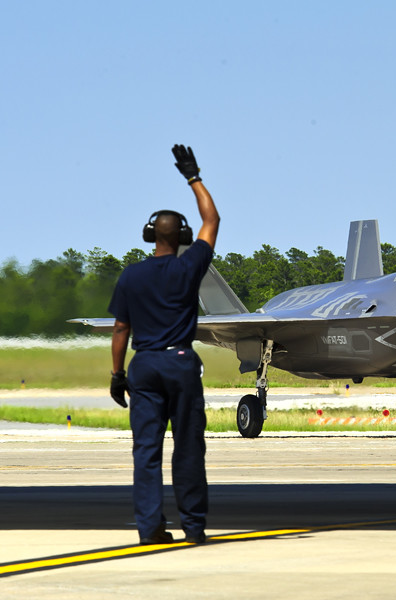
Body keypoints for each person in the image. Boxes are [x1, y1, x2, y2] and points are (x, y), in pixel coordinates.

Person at [108, 144, 220, 545]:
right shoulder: (189, 266)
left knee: (146, 452)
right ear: (183, 237)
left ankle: (150, 529)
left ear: (149, 235)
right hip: (179, 362)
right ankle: (193, 527)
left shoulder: (130, 277)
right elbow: (213, 217)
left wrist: (117, 375)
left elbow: (121, 329)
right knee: (188, 447)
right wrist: (192, 175)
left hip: (144, 365)